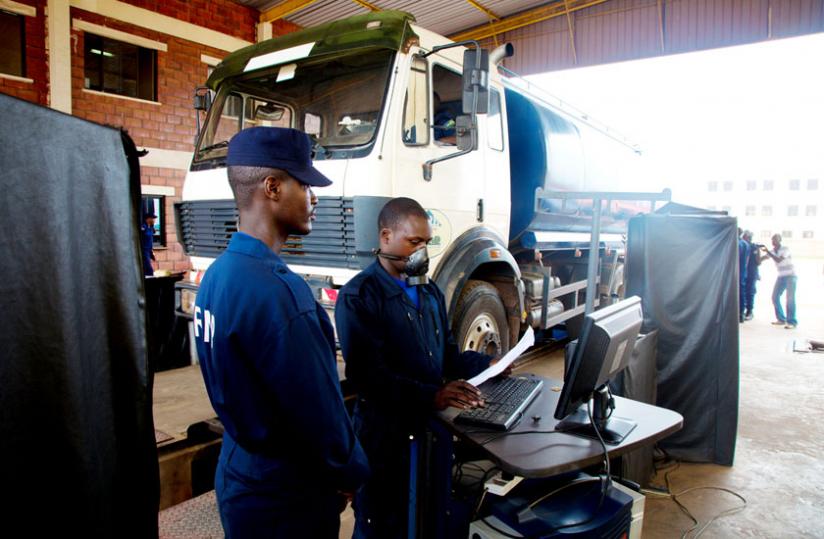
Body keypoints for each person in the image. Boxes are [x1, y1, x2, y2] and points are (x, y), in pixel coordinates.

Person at [194, 127, 369, 538]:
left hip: (240, 474)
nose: (314, 198)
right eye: (305, 184)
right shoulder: (280, 293)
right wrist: (349, 471)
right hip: (286, 495)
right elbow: (318, 411)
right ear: (273, 187)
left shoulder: (217, 276)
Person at [335, 197, 499, 538]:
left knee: (425, 517)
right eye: (414, 242)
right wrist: (434, 395)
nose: (422, 251)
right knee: (382, 523)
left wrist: (490, 364)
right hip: (384, 439)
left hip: (428, 432)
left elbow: (449, 358)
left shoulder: (430, 292)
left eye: (426, 243)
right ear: (385, 237)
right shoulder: (360, 296)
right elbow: (368, 379)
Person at [760, 233, 798, 329]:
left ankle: (792, 322)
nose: (774, 241)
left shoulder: (785, 249)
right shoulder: (772, 251)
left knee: (790, 299)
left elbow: (778, 260)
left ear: (780, 240)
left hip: (791, 276)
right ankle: (781, 319)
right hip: (781, 276)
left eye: (776, 239)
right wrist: (756, 251)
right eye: (772, 240)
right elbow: (761, 259)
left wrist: (768, 252)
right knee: (775, 297)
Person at [742, 230, 760, 320]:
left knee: (750, 292)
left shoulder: (754, 247)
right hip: (743, 272)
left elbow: (758, 262)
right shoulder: (742, 245)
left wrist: (758, 251)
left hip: (751, 273)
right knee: (744, 292)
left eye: (744, 236)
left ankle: (750, 311)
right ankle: (743, 310)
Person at [737, 228, 749, 323]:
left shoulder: (737, 244)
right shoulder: (745, 244)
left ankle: (739, 314)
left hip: (736, 272)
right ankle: (741, 314)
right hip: (743, 272)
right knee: (742, 292)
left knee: (737, 293)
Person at [140, 212, 157, 276]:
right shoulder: (144, 227)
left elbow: (151, 240)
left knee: (147, 267)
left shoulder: (151, 228)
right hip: (144, 250)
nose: (154, 220)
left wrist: (152, 252)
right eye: (153, 218)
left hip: (149, 250)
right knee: (149, 269)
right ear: (148, 219)